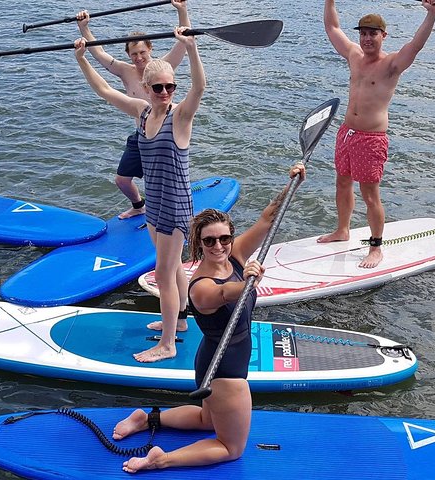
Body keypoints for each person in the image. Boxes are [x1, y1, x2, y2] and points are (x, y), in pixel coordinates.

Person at [110, 164, 306, 473]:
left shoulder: (235, 255)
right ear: (198, 244)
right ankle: (161, 460)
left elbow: (268, 219)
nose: (219, 246)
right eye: (210, 241)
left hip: (214, 362)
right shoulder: (200, 286)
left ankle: (146, 418)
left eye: (224, 239)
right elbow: (228, 293)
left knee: (206, 420)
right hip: (225, 371)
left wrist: (291, 183)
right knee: (231, 448)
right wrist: (249, 281)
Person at [74, 25, 203, 363]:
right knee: (172, 270)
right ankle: (180, 322)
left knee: (163, 272)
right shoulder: (142, 112)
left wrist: (190, 49)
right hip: (155, 203)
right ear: (146, 88)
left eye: (170, 87)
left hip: (175, 205)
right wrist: (82, 59)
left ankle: (168, 344)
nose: (164, 92)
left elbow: (200, 87)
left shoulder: (181, 117)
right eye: (158, 87)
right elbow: (104, 90)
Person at [318, 0, 435, 268]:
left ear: (383, 36)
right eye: (363, 33)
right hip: (347, 133)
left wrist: (432, 14)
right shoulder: (353, 54)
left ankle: (376, 248)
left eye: (372, 33)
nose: (366, 38)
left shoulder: (392, 64)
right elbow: (331, 27)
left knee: (370, 194)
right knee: (342, 183)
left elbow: (416, 45)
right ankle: (342, 230)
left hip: (371, 139)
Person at [75, 1, 190, 220]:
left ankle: (171, 210)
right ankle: (139, 205)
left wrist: (182, 11)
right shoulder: (124, 71)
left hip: (164, 132)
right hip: (141, 134)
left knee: (161, 179)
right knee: (121, 179)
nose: (139, 58)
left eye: (142, 52)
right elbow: (97, 53)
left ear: (150, 50)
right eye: (134, 54)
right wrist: (84, 29)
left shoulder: (162, 68)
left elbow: (184, 43)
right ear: (128, 55)